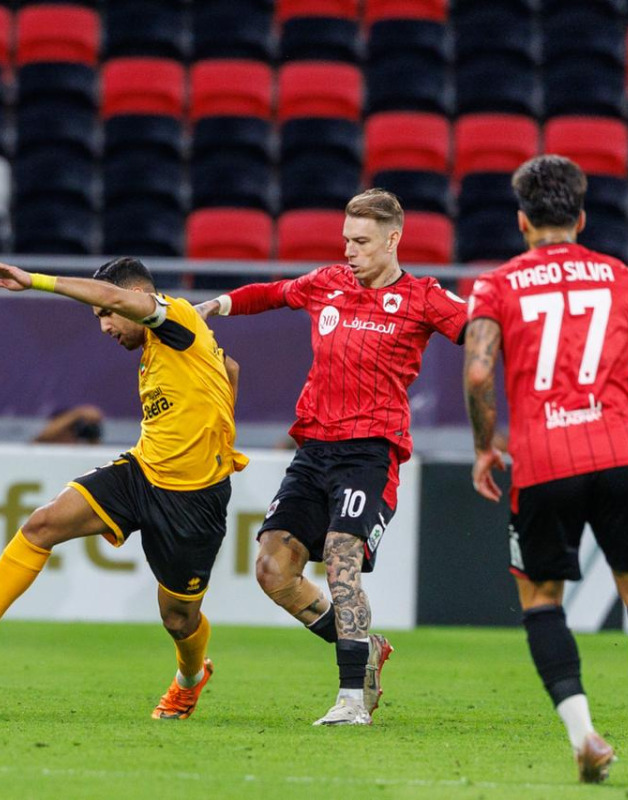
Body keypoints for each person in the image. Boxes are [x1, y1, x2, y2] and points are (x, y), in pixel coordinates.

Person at [0, 257, 248, 721]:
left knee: (178, 618)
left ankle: (190, 679)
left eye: (107, 314)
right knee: (42, 525)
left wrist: (34, 280)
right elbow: (230, 367)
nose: (104, 326)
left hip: (193, 498)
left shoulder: (177, 317)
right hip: (142, 471)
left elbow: (117, 298)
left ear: (134, 298)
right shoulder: (165, 345)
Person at [464, 155, 628, 784]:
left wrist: (485, 447)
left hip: (544, 461)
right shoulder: (620, 277)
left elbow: (479, 373)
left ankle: (586, 739)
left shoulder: (496, 285)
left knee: (542, 599)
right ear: (582, 218)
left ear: (522, 221)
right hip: (621, 452)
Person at [196, 189, 470, 726]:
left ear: (393, 240)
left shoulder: (422, 297)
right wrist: (215, 306)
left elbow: (478, 328)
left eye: (361, 242)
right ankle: (367, 648)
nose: (349, 251)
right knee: (273, 571)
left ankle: (351, 700)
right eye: (346, 239)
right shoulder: (327, 283)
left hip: (370, 451)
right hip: (314, 448)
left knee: (342, 555)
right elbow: (272, 293)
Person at [33, 404, 104, 444]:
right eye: (64, 429)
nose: (67, 435)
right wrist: (78, 413)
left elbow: (96, 451)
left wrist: (93, 426)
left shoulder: (79, 453)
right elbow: (42, 437)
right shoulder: (39, 448)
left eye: (72, 429)